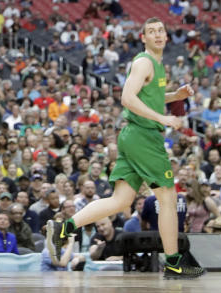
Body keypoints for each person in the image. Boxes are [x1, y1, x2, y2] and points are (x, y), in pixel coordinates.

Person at [51, 18, 205, 279]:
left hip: (133, 135)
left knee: (120, 200)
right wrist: (164, 118)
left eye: (161, 30)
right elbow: (127, 97)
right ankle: (174, 262)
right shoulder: (144, 61)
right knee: (168, 197)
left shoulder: (155, 65)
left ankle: (64, 227)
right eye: (151, 31)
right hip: (144, 136)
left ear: (166, 37)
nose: (157, 34)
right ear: (143, 38)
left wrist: (174, 97)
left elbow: (147, 97)